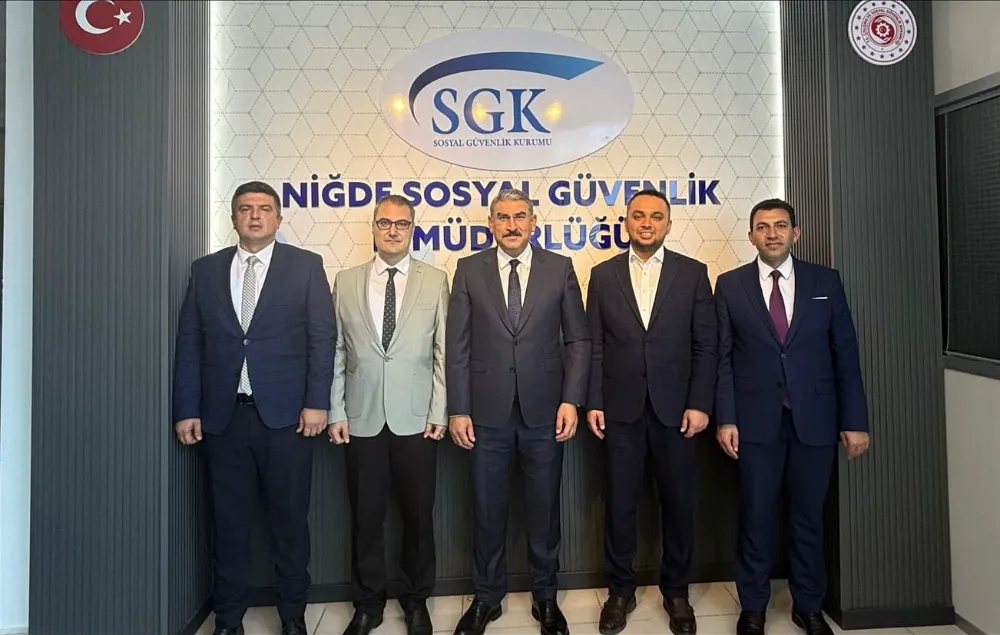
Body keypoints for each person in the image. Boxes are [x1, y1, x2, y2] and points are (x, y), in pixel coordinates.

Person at [172, 180, 336, 635]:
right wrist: (186, 407)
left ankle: (293, 617)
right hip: (222, 420)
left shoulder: (305, 266)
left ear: (279, 218)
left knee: (290, 524)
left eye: (264, 208)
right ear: (234, 218)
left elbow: (322, 338)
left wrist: (316, 402)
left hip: (287, 421)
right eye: (246, 208)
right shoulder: (206, 270)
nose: (255, 216)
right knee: (229, 525)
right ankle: (228, 620)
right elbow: (190, 342)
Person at [714, 198, 870, 635]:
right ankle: (753, 607)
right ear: (751, 236)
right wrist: (725, 418)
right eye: (763, 227)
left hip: (815, 420)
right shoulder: (729, 285)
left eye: (780, 226)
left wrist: (855, 420)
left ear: (795, 233)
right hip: (754, 421)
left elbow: (845, 353)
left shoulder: (825, 281)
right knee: (755, 517)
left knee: (808, 518)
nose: (772, 234)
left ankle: (809, 606)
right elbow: (721, 358)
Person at [446, 188, 591, 635]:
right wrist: (458, 408)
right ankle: (486, 598)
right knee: (487, 510)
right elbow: (457, 346)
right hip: (485, 414)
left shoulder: (559, 268)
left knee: (544, 510)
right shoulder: (469, 269)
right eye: (503, 217)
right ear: (491, 223)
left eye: (520, 216)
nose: (512, 225)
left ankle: (546, 598)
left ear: (533, 222)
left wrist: (571, 399)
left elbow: (578, 339)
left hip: (545, 412)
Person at [585, 189, 717, 635]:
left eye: (656, 216)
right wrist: (594, 400)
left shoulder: (693, 273)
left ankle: (676, 593)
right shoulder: (602, 275)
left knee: (678, 505)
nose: (646, 223)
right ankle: (620, 592)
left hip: (677, 412)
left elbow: (706, 345)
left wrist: (700, 403)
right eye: (638, 216)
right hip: (619, 411)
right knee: (620, 504)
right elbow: (595, 345)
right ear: (626, 222)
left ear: (668, 224)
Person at [328, 194, 450, 635]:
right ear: (374, 229)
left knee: (418, 517)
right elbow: (337, 351)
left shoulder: (436, 280)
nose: (393, 230)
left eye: (402, 223)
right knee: (366, 518)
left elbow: (442, 351)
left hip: (417, 419)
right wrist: (335, 410)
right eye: (385, 223)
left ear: (413, 229)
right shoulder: (346, 281)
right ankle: (368, 605)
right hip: (360, 418)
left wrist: (440, 410)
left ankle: (416, 602)